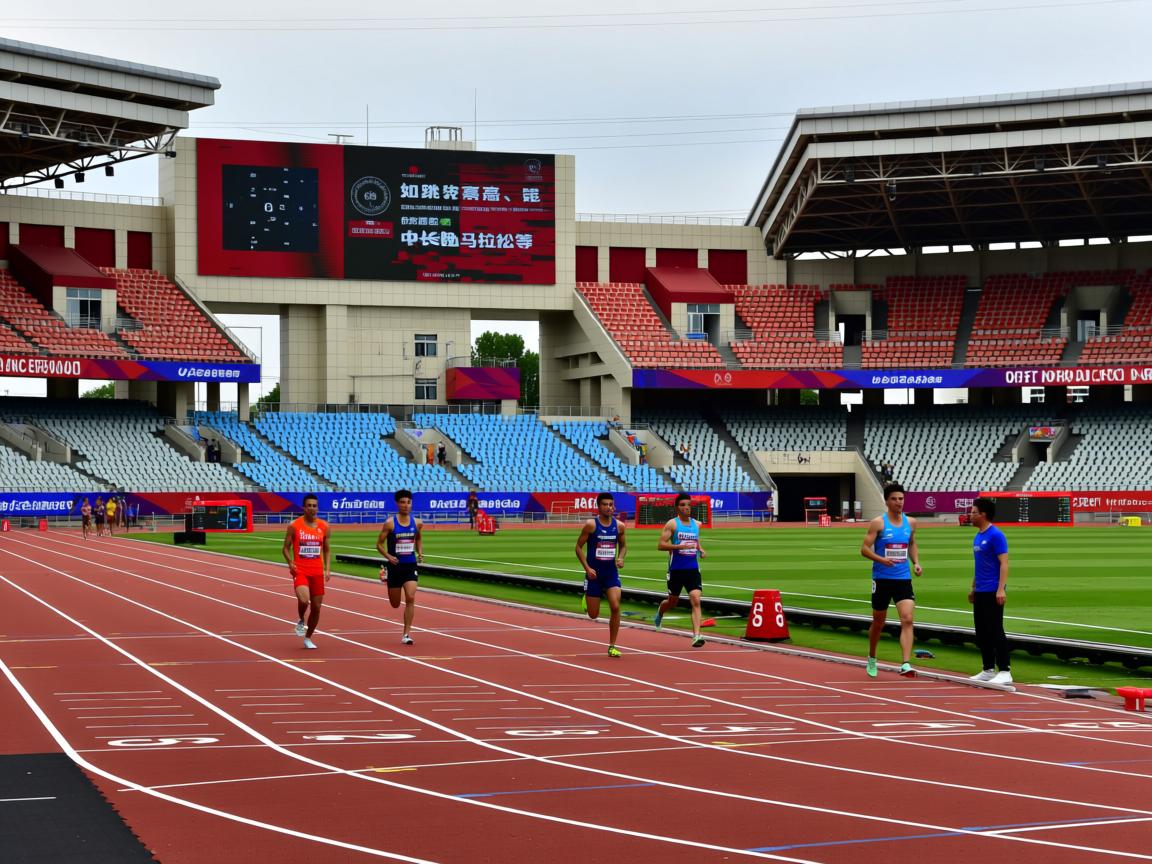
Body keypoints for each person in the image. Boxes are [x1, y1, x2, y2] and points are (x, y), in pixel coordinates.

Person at [861, 482, 922, 677]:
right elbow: (864, 549)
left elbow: (911, 543)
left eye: (901, 499)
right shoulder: (878, 523)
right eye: (894, 499)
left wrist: (916, 562)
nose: (898, 502)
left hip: (903, 578)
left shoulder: (911, 522)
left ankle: (906, 663)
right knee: (879, 622)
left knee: (908, 619)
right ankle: (872, 656)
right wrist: (881, 560)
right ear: (886, 501)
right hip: (882, 579)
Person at [574, 492, 627, 657]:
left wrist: (620, 558)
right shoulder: (591, 525)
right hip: (594, 576)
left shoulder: (619, 526)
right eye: (605, 504)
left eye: (610, 504)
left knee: (615, 606)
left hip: (611, 574)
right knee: (593, 614)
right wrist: (587, 568)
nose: (608, 507)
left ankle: (612, 646)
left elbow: (623, 546)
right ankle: (586, 597)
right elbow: (578, 547)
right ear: (598, 506)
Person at [654, 492, 708, 648]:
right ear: (677, 507)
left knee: (696, 599)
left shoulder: (697, 524)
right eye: (683, 505)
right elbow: (661, 545)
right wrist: (679, 547)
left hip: (692, 568)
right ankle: (660, 612)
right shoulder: (672, 524)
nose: (687, 508)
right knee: (672, 602)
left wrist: (700, 549)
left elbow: (695, 539)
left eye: (689, 505)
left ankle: (696, 636)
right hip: (676, 569)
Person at [968, 497, 1012, 685]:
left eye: (974, 512)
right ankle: (987, 669)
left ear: (983, 514)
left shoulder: (996, 535)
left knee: (995, 630)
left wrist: (1001, 589)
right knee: (981, 631)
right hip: (980, 590)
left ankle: (1005, 670)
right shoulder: (978, 536)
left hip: (993, 590)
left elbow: (1004, 563)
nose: (970, 515)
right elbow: (980, 565)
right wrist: (973, 588)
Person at [282, 493, 331, 649]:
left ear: (317, 508)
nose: (311, 508)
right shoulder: (294, 526)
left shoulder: (324, 526)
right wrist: (290, 563)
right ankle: (301, 619)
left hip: (317, 571)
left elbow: (327, 550)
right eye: (309, 505)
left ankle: (308, 637)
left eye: (314, 506)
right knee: (304, 600)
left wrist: (328, 569)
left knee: (316, 607)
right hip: (300, 570)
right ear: (304, 508)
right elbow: (285, 548)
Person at [376, 489, 424, 645]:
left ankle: (406, 634)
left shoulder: (417, 522)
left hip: (410, 565)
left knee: (410, 597)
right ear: (397, 504)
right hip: (395, 567)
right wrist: (388, 557)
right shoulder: (390, 523)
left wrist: (420, 552)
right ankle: (385, 576)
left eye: (408, 502)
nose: (406, 505)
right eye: (402, 502)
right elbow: (379, 544)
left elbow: (418, 539)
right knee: (395, 604)